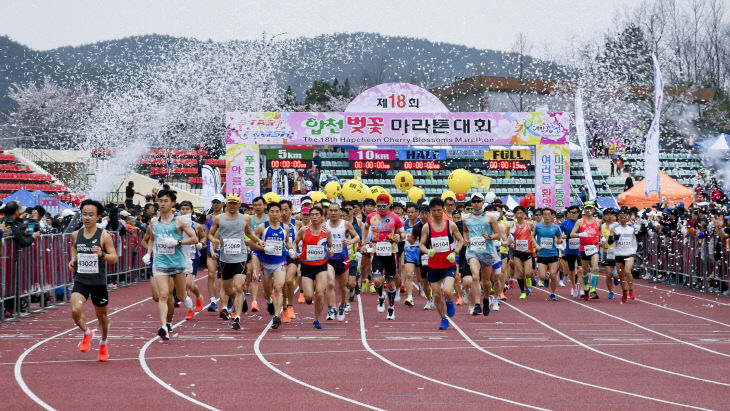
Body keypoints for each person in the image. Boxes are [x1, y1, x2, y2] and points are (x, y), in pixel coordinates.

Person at [141, 190, 198, 340]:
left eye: (166, 201)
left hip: (178, 263)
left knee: (180, 295)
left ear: (173, 203)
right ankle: (163, 326)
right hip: (161, 263)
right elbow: (153, 239)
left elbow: (194, 239)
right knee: (164, 295)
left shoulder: (179, 221)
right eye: (160, 201)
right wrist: (148, 252)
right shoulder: (154, 222)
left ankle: (186, 298)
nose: (163, 203)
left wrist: (177, 242)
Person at [67, 199, 118, 361]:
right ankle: (87, 332)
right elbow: (74, 248)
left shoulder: (104, 236)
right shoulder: (76, 234)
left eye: (91, 215)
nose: (87, 218)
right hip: (81, 280)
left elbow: (114, 258)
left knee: (102, 317)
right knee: (75, 310)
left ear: (98, 217)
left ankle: (103, 343)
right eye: (84, 214)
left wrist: (102, 254)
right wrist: (73, 260)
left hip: (98, 282)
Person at [208, 193, 256, 331]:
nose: (233, 205)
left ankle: (237, 317)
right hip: (225, 258)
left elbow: (250, 233)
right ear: (226, 204)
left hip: (240, 257)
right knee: (229, 290)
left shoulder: (245, 218)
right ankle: (237, 304)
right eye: (230, 203)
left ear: (239, 205)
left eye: (235, 203)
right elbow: (210, 234)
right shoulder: (218, 219)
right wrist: (214, 240)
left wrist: (257, 240)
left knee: (239, 287)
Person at [420, 197, 465, 329]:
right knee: (437, 295)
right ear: (430, 211)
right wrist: (428, 251)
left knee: (447, 291)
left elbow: (461, 241)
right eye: (434, 211)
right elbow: (421, 245)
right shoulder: (426, 227)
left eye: (439, 210)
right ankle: (443, 319)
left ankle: (450, 300)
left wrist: (454, 252)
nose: (437, 213)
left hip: (448, 265)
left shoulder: (451, 225)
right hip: (433, 266)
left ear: (443, 210)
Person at [363, 194, 405, 320]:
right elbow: (365, 228)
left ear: (389, 205)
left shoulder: (395, 218)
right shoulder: (371, 217)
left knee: (391, 284)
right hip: (377, 253)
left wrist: (399, 237)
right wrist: (364, 243)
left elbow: (403, 234)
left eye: (383, 206)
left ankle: (391, 308)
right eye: (379, 206)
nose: (381, 209)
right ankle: (381, 296)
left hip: (391, 254)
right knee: (376, 280)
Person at [294, 206, 334, 329]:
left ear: (322, 217)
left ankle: (316, 319)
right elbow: (295, 242)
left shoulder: (326, 232)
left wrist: (331, 251)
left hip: (321, 265)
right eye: (312, 214)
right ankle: (308, 297)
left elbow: (330, 246)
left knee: (320, 293)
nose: (314, 217)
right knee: (309, 296)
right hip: (306, 266)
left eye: (317, 214)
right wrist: (295, 251)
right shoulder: (303, 230)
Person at [463, 195, 504, 315]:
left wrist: (490, 237)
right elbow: (465, 230)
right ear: (471, 203)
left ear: (482, 203)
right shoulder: (466, 218)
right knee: (475, 277)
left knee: (486, 282)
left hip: (487, 251)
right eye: (474, 201)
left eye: (478, 201)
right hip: (472, 251)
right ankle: (477, 304)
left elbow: (498, 234)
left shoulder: (490, 217)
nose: (476, 204)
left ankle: (486, 298)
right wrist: (466, 239)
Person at [325, 202, 360, 321]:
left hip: (343, 259)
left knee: (343, 287)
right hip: (329, 260)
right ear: (328, 212)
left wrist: (351, 242)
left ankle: (342, 304)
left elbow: (357, 237)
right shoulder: (324, 225)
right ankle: (331, 308)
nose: (333, 213)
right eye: (331, 210)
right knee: (330, 284)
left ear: (340, 212)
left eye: (336, 210)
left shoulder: (346, 224)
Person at [569, 201, 602, 301]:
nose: (588, 210)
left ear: (593, 210)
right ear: (584, 210)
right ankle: (586, 288)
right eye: (586, 208)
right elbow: (572, 234)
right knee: (585, 271)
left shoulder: (598, 221)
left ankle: (594, 290)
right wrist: (580, 234)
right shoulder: (580, 221)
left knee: (595, 269)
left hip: (594, 247)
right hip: (584, 248)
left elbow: (600, 232)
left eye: (590, 208)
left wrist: (603, 239)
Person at [178, 201, 205, 319]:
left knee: (188, 283)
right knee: (182, 286)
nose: (184, 211)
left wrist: (201, 243)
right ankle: (189, 309)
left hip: (193, 256)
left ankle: (199, 296)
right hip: (179, 257)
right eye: (182, 209)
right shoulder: (176, 224)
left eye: (187, 209)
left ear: (191, 211)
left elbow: (203, 236)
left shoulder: (196, 225)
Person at [532, 208, 563, 301]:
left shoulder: (556, 227)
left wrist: (558, 241)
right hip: (542, 254)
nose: (546, 216)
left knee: (554, 275)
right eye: (544, 214)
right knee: (542, 276)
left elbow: (559, 238)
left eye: (548, 214)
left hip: (553, 253)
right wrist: (536, 245)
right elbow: (532, 236)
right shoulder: (538, 226)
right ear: (542, 216)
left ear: (552, 216)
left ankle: (552, 293)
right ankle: (546, 278)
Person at [611, 207, 638, 303]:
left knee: (627, 271)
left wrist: (634, 222)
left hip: (629, 253)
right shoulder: (615, 228)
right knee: (621, 276)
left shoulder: (631, 228)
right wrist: (614, 237)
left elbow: (639, 231)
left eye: (624, 217)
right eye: (621, 218)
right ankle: (624, 292)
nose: (622, 219)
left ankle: (631, 289)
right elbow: (610, 241)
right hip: (619, 254)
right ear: (618, 218)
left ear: (627, 218)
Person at [247, 196, 269, 313]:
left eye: (260, 205)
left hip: (268, 251)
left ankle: (270, 297)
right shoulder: (250, 219)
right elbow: (247, 235)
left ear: (265, 206)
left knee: (269, 278)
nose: (257, 207)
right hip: (255, 250)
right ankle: (254, 302)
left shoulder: (269, 218)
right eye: (255, 205)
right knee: (254, 275)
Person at [510, 206, 535, 299]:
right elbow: (507, 236)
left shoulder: (529, 224)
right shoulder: (512, 225)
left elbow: (536, 233)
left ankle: (528, 283)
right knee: (520, 273)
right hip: (517, 252)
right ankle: (523, 291)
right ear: (515, 214)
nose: (519, 215)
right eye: (517, 213)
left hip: (528, 252)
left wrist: (534, 242)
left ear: (525, 214)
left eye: (521, 213)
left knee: (528, 273)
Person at [205, 193, 225, 311]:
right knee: (211, 274)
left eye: (218, 202)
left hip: (225, 248)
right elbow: (208, 233)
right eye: (213, 202)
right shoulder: (209, 217)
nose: (215, 204)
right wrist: (206, 241)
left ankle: (225, 301)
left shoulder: (226, 216)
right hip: (211, 247)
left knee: (224, 277)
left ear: (223, 203)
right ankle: (213, 301)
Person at [560, 205, 582, 298]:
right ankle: (573, 287)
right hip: (569, 250)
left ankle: (580, 289)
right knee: (572, 270)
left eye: (575, 212)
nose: (573, 214)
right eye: (571, 212)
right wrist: (567, 237)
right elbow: (560, 237)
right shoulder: (564, 224)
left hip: (581, 250)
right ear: (568, 214)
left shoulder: (582, 222)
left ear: (578, 213)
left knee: (580, 269)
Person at [401, 203, 421, 307]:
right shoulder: (405, 223)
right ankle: (410, 297)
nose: (410, 214)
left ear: (417, 212)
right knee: (409, 274)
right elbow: (402, 235)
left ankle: (426, 291)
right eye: (408, 212)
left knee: (421, 277)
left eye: (413, 212)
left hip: (420, 251)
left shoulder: (421, 223)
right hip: (409, 251)